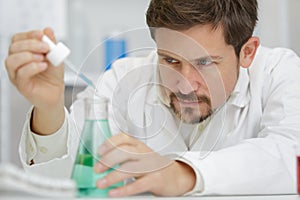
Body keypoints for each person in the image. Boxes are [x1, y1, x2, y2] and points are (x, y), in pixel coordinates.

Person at [5, 0, 300, 197]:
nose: (184, 85)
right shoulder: (123, 80)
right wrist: (50, 109)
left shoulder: (278, 72)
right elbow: (61, 183)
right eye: (170, 61)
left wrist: (183, 173)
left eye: (205, 63)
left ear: (247, 52)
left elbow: (290, 154)